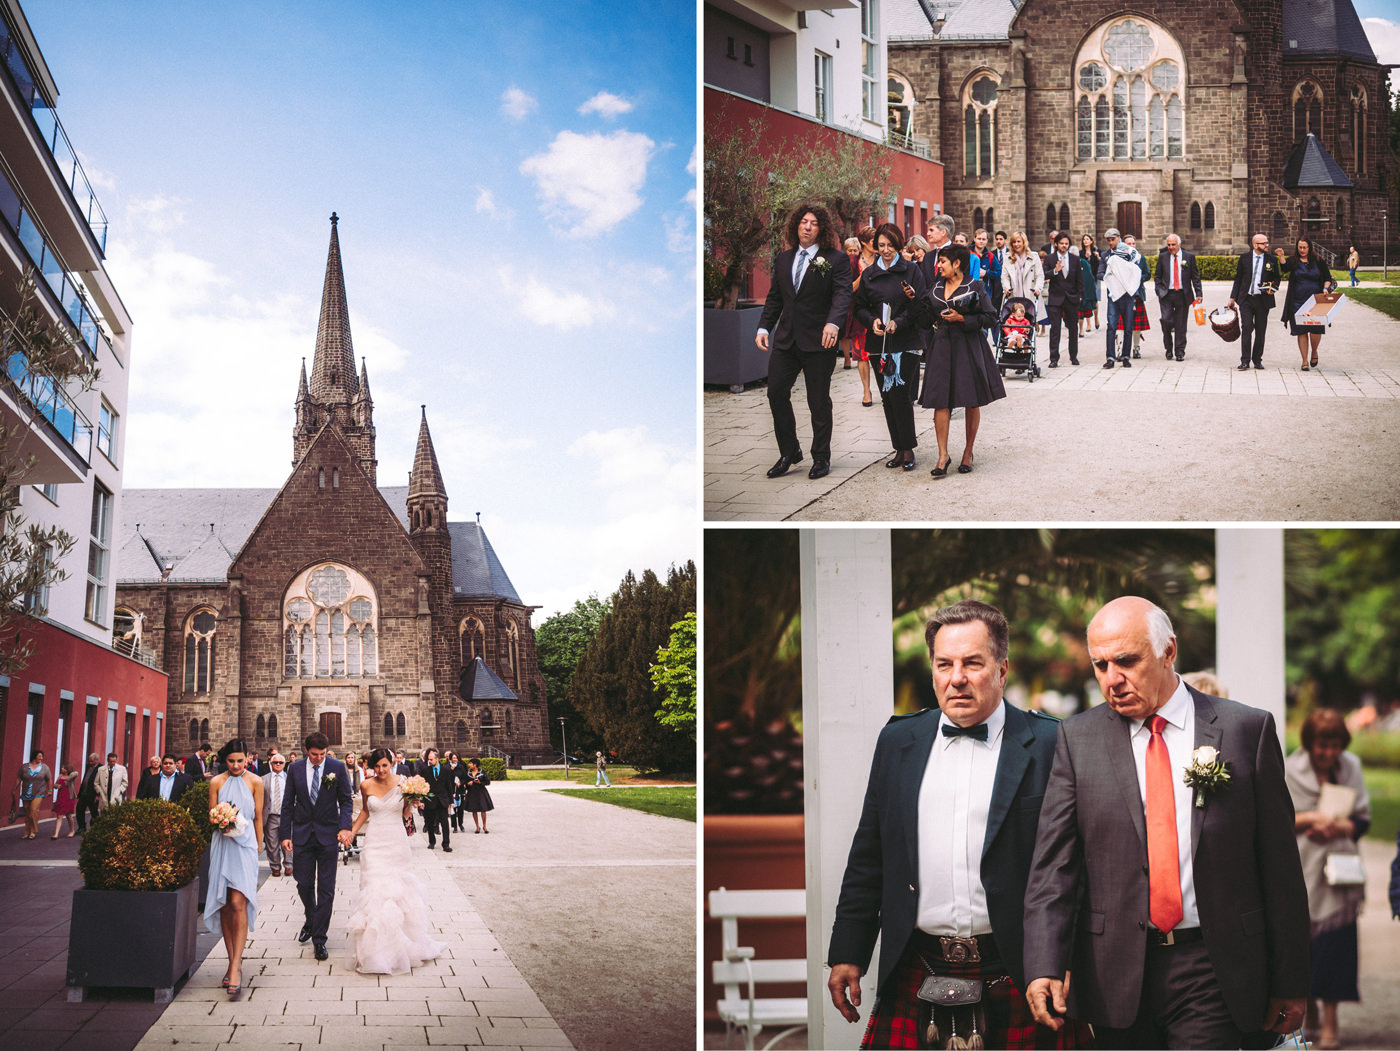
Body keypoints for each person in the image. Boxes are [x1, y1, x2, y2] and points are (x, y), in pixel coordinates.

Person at [1024, 596, 1310, 1049]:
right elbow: (1053, 868)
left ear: (1168, 651)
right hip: (1113, 968)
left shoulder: (1244, 731)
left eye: (1126, 661)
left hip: (1213, 964)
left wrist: (1291, 979)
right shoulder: (1077, 739)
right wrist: (1043, 963)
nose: (1112, 679)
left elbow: (1279, 867)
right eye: (1100, 665)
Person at [826, 601, 1089, 1050]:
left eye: (972, 663)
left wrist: (1067, 961)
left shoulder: (1051, 742)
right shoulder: (898, 742)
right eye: (944, 664)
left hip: (1020, 970)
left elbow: (1079, 865)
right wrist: (848, 951)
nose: (957, 678)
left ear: (1002, 669)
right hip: (918, 964)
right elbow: (870, 854)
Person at [1285, 709, 1370, 1051]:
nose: (1328, 753)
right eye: (1322, 745)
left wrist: (1337, 827)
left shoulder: (1352, 767)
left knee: (1336, 946)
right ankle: (1311, 1012)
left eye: (1335, 745)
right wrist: (1311, 820)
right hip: (1302, 869)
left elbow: (1362, 821)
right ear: (1309, 744)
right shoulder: (1291, 770)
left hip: (1339, 875)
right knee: (1301, 948)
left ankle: (1332, 1018)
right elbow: (1278, 819)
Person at [755, 203, 854, 481]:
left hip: (819, 341)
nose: (807, 227)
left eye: (813, 223)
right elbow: (776, 297)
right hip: (786, 340)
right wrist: (764, 326)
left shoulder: (835, 259)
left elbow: (843, 295)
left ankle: (821, 457)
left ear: (821, 228)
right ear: (796, 225)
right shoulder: (784, 259)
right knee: (775, 392)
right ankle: (789, 452)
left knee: (818, 401)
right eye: (803, 222)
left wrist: (833, 323)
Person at [345, 748, 444, 974]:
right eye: (376, 766)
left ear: (391, 764)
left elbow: (406, 814)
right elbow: (365, 814)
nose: (380, 770)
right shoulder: (366, 785)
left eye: (384, 766)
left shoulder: (404, 782)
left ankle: (402, 946)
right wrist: (351, 832)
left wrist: (414, 801)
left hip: (397, 842)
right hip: (375, 842)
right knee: (373, 890)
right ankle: (371, 951)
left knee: (398, 891)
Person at [914, 242, 1004, 476]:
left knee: (971, 400)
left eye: (943, 261)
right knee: (940, 400)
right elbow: (923, 320)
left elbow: (990, 317)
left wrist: (963, 319)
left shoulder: (975, 286)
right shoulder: (934, 288)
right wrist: (915, 301)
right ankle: (943, 455)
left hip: (969, 346)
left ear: (957, 264)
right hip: (942, 346)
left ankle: (968, 451)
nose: (939, 265)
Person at [854, 222, 927, 472]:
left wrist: (899, 321)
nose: (885, 250)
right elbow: (859, 306)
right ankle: (898, 448)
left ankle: (908, 449)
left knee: (902, 396)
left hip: (905, 342)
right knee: (887, 397)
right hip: (878, 344)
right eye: (881, 246)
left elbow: (920, 305)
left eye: (890, 245)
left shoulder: (912, 271)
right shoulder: (869, 274)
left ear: (899, 245)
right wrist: (871, 320)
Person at [279, 731, 355, 961]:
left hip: (328, 835)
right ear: (306, 750)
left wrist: (344, 827)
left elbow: (346, 800)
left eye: (322, 754)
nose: (318, 759)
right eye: (314, 755)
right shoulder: (294, 769)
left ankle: (320, 939)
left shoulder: (337, 767)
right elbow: (287, 804)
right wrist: (285, 834)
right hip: (302, 834)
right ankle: (311, 920)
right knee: (303, 883)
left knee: (326, 889)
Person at [205, 738, 264, 999]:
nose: (237, 765)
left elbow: (259, 816)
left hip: (246, 847)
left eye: (241, 760)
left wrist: (259, 847)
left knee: (240, 902)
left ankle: (237, 966)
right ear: (224, 760)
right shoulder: (216, 782)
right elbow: (211, 815)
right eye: (232, 761)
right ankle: (232, 961)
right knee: (227, 904)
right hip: (223, 846)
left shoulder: (256, 782)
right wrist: (221, 821)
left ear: (247, 759)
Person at [1227, 233, 1285, 371]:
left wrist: (1273, 288)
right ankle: (1245, 361)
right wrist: (1232, 298)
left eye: (1266, 242)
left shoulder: (1271, 259)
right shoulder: (1244, 258)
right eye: (1263, 243)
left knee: (1260, 331)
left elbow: (1277, 278)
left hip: (1263, 300)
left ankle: (1257, 360)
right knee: (1246, 328)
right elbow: (1238, 278)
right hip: (1246, 299)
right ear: (1255, 245)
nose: (1267, 245)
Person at [1279, 237, 1336, 371]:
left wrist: (1325, 288)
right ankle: (1304, 361)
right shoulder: (1294, 261)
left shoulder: (1318, 260)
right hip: (1297, 301)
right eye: (1300, 247)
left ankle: (1314, 351)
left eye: (1305, 247)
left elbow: (1327, 278)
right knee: (1301, 331)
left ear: (1309, 247)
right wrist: (1281, 256)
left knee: (1315, 329)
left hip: (1315, 301)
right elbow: (1284, 267)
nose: (1302, 250)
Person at [1098, 228, 1144, 368]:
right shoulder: (1105, 255)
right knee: (1111, 326)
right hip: (1113, 296)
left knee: (1128, 327)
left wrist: (1128, 281)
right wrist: (1110, 275)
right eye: (1108, 240)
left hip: (1128, 296)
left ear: (1119, 238)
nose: (1110, 242)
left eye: (1113, 239)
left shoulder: (1129, 253)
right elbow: (1099, 273)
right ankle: (1110, 358)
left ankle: (1125, 357)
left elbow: (1137, 272)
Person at [1154, 233, 1203, 361]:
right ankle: (1168, 347)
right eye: (1169, 245)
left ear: (1179, 244)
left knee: (1181, 324)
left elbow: (1195, 277)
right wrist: (1159, 291)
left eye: (1173, 245)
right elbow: (1157, 276)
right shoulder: (1163, 257)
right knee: (1166, 320)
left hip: (1183, 294)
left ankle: (1179, 351)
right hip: (1166, 295)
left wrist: (1199, 294)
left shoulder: (1189, 257)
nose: (1171, 247)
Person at [1042, 231, 1082, 366]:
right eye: (1062, 243)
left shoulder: (1075, 259)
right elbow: (1044, 275)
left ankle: (1074, 356)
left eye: (1066, 244)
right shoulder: (1049, 258)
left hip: (1071, 298)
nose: (1064, 246)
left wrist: (1079, 296)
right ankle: (1054, 358)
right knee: (1055, 329)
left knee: (1073, 329)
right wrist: (1055, 270)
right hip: (1055, 298)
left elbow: (1079, 280)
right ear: (1056, 244)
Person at [416, 746, 457, 852]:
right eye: (428, 759)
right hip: (430, 801)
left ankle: (446, 844)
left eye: (431, 759)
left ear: (437, 759)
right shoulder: (425, 770)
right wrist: (421, 800)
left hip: (442, 800)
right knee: (430, 823)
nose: (429, 761)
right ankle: (432, 841)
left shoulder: (445, 770)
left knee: (444, 823)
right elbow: (422, 786)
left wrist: (451, 802)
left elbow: (449, 786)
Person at [261, 752, 290, 876]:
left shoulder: (290, 778)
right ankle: (275, 866)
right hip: (271, 816)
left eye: (281, 762)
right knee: (271, 844)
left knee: (289, 842)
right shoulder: (263, 779)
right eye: (275, 762)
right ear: (271, 764)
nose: (278, 764)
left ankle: (289, 865)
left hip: (287, 816)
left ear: (284, 764)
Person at [1000, 230, 1042, 310]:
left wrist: (1038, 288)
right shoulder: (1007, 257)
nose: (1016, 244)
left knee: (1030, 320)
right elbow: (1004, 276)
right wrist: (1006, 288)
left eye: (1018, 241)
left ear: (1024, 242)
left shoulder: (1034, 257)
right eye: (1014, 242)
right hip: (1013, 296)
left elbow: (1039, 275)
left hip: (1031, 295)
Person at [15, 750, 51, 840]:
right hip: (26, 792)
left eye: (42, 756)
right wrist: (14, 788)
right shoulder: (24, 767)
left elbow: (49, 779)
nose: (41, 758)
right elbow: (19, 778)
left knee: (34, 810)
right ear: (34, 756)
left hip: (39, 792)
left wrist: (49, 790)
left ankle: (33, 831)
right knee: (27, 812)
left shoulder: (45, 768)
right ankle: (26, 831)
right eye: (39, 756)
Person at [463, 759, 495, 833]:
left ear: (475, 764)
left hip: (481, 792)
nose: (469, 765)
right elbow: (464, 781)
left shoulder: (482, 772)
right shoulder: (467, 773)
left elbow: (488, 782)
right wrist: (467, 784)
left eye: (470, 763)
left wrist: (480, 782)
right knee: (474, 810)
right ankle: (477, 827)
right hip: (472, 792)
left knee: (483, 809)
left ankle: (484, 826)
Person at [1079, 234, 1101, 334]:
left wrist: (1097, 258)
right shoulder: (1081, 253)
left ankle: (1096, 318)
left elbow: (1100, 265)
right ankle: (1088, 324)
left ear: (1091, 241)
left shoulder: (1096, 252)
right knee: (1086, 300)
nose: (1085, 241)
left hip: (1095, 278)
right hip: (1084, 280)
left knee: (1094, 299)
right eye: (1084, 239)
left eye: (1087, 239)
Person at [49, 762, 78, 839]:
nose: (62, 769)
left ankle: (72, 830)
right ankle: (56, 834)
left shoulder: (72, 776)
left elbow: (75, 773)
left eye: (64, 768)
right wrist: (57, 786)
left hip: (69, 797)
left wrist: (67, 779)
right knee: (59, 815)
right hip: (61, 797)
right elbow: (55, 785)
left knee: (68, 815)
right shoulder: (60, 776)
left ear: (68, 769)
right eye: (62, 767)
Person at [75, 751, 101, 833]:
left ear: (97, 760)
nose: (90, 762)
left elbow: (101, 782)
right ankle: (82, 827)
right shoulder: (88, 767)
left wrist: (98, 795)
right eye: (89, 761)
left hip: (93, 794)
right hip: (84, 793)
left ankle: (95, 828)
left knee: (94, 812)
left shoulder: (101, 768)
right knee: (79, 809)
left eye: (92, 761)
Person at [447, 752, 466, 832]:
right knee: (453, 809)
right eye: (453, 758)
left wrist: (461, 783)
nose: (454, 759)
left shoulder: (461, 767)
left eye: (456, 758)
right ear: (451, 758)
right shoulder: (447, 767)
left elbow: (465, 777)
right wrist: (451, 770)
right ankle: (454, 826)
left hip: (460, 790)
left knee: (461, 809)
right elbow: (446, 777)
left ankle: (461, 824)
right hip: (451, 790)